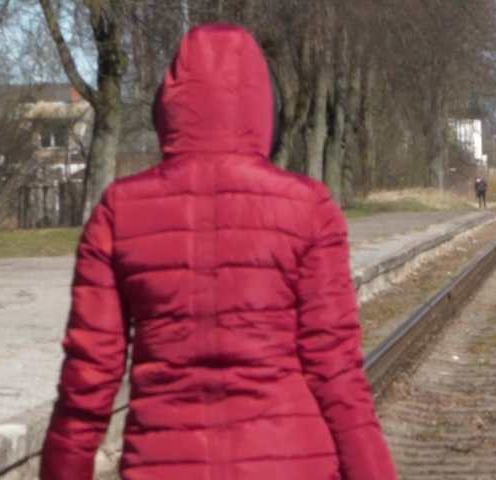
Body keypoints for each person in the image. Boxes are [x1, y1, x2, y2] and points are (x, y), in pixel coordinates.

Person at [39, 23, 397, 480]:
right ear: (266, 110)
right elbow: (336, 371)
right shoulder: (309, 208)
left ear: (165, 107)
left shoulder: (118, 211)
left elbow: (88, 376)